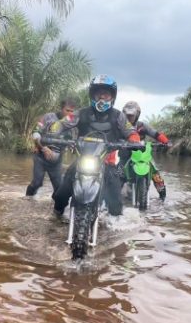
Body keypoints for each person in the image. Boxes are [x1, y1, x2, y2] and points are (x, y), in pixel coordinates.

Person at [51, 74, 141, 217]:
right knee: (61, 193)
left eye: (106, 94)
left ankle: (113, 228)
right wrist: (53, 131)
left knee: (116, 204)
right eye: (99, 94)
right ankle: (55, 216)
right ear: (92, 95)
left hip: (108, 163)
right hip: (83, 160)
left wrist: (135, 140)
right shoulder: (81, 113)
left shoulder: (119, 116)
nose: (102, 98)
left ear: (112, 96)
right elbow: (62, 123)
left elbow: (130, 131)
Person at [25, 98, 77, 197]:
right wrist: (42, 148)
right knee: (37, 183)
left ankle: (53, 209)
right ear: (61, 109)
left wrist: (73, 149)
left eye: (72, 111)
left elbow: (73, 143)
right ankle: (27, 200)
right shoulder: (48, 117)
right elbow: (35, 133)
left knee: (59, 189)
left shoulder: (73, 124)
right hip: (40, 156)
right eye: (67, 110)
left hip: (56, 160)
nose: (69, 113)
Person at [121, 100, 169, 200]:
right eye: (127, 115)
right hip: (125, 155)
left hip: (142, 155)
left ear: (137, 114)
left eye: (132, 115)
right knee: (116, 173)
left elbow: (156, 134)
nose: (129, 117)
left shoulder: (142, 126)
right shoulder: (120, 126)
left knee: (155, 172)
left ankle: (162, 194)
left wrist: (166, 142)